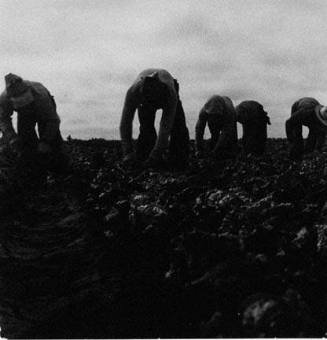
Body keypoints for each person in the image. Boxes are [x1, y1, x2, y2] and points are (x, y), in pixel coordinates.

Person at [120, 68, 189, 168]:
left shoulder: (170, 94)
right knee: (146, 128)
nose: (154, 106)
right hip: (144, 97)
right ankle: (144, 156)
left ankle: (178, 160)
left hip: (169, 86)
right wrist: (127, 152)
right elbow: (125, 123)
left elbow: (165, 127)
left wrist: (156, 155)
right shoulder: (133, 92)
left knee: (178, 126)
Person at [0, 73, 68, 173]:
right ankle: (33, 170)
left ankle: (61, 169)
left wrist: (45, 141)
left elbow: (53, 120)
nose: (24, 104)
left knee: (53, 140)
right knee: (25, 141)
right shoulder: (4, 99)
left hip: (42, 109)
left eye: (25, 100)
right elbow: (3, 119)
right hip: (24, 114)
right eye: (20, 102)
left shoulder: (41, 95)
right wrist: (12, 138)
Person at [195, 95, 238, 159]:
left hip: (228, 117)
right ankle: (214, 146)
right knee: (214, 135)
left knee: (232, 138)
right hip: (216, 117)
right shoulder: (204, 111)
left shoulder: (230, 112)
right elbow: (199, 129)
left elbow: (225, 132)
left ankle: (231, 151)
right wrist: (199, 148)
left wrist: (216, 150)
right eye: (212, 115)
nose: (214, 118)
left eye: (216, 116)